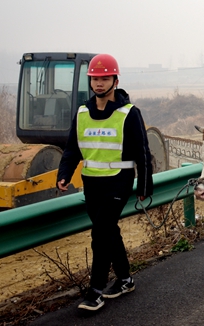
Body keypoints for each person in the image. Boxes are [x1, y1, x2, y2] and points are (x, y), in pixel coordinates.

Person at [56, 53, 153, 311]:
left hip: (118, 181)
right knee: (109, 231)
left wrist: (144, 186)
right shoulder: (82, 113)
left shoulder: (129, 113)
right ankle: (125, 279)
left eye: (105, 78)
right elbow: (72, 149)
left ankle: (95, 291)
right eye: (95, 79)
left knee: (100, 233)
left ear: (115, 80)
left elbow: (143, 152)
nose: (99, 83)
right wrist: (64, 173)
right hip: (91, 183)